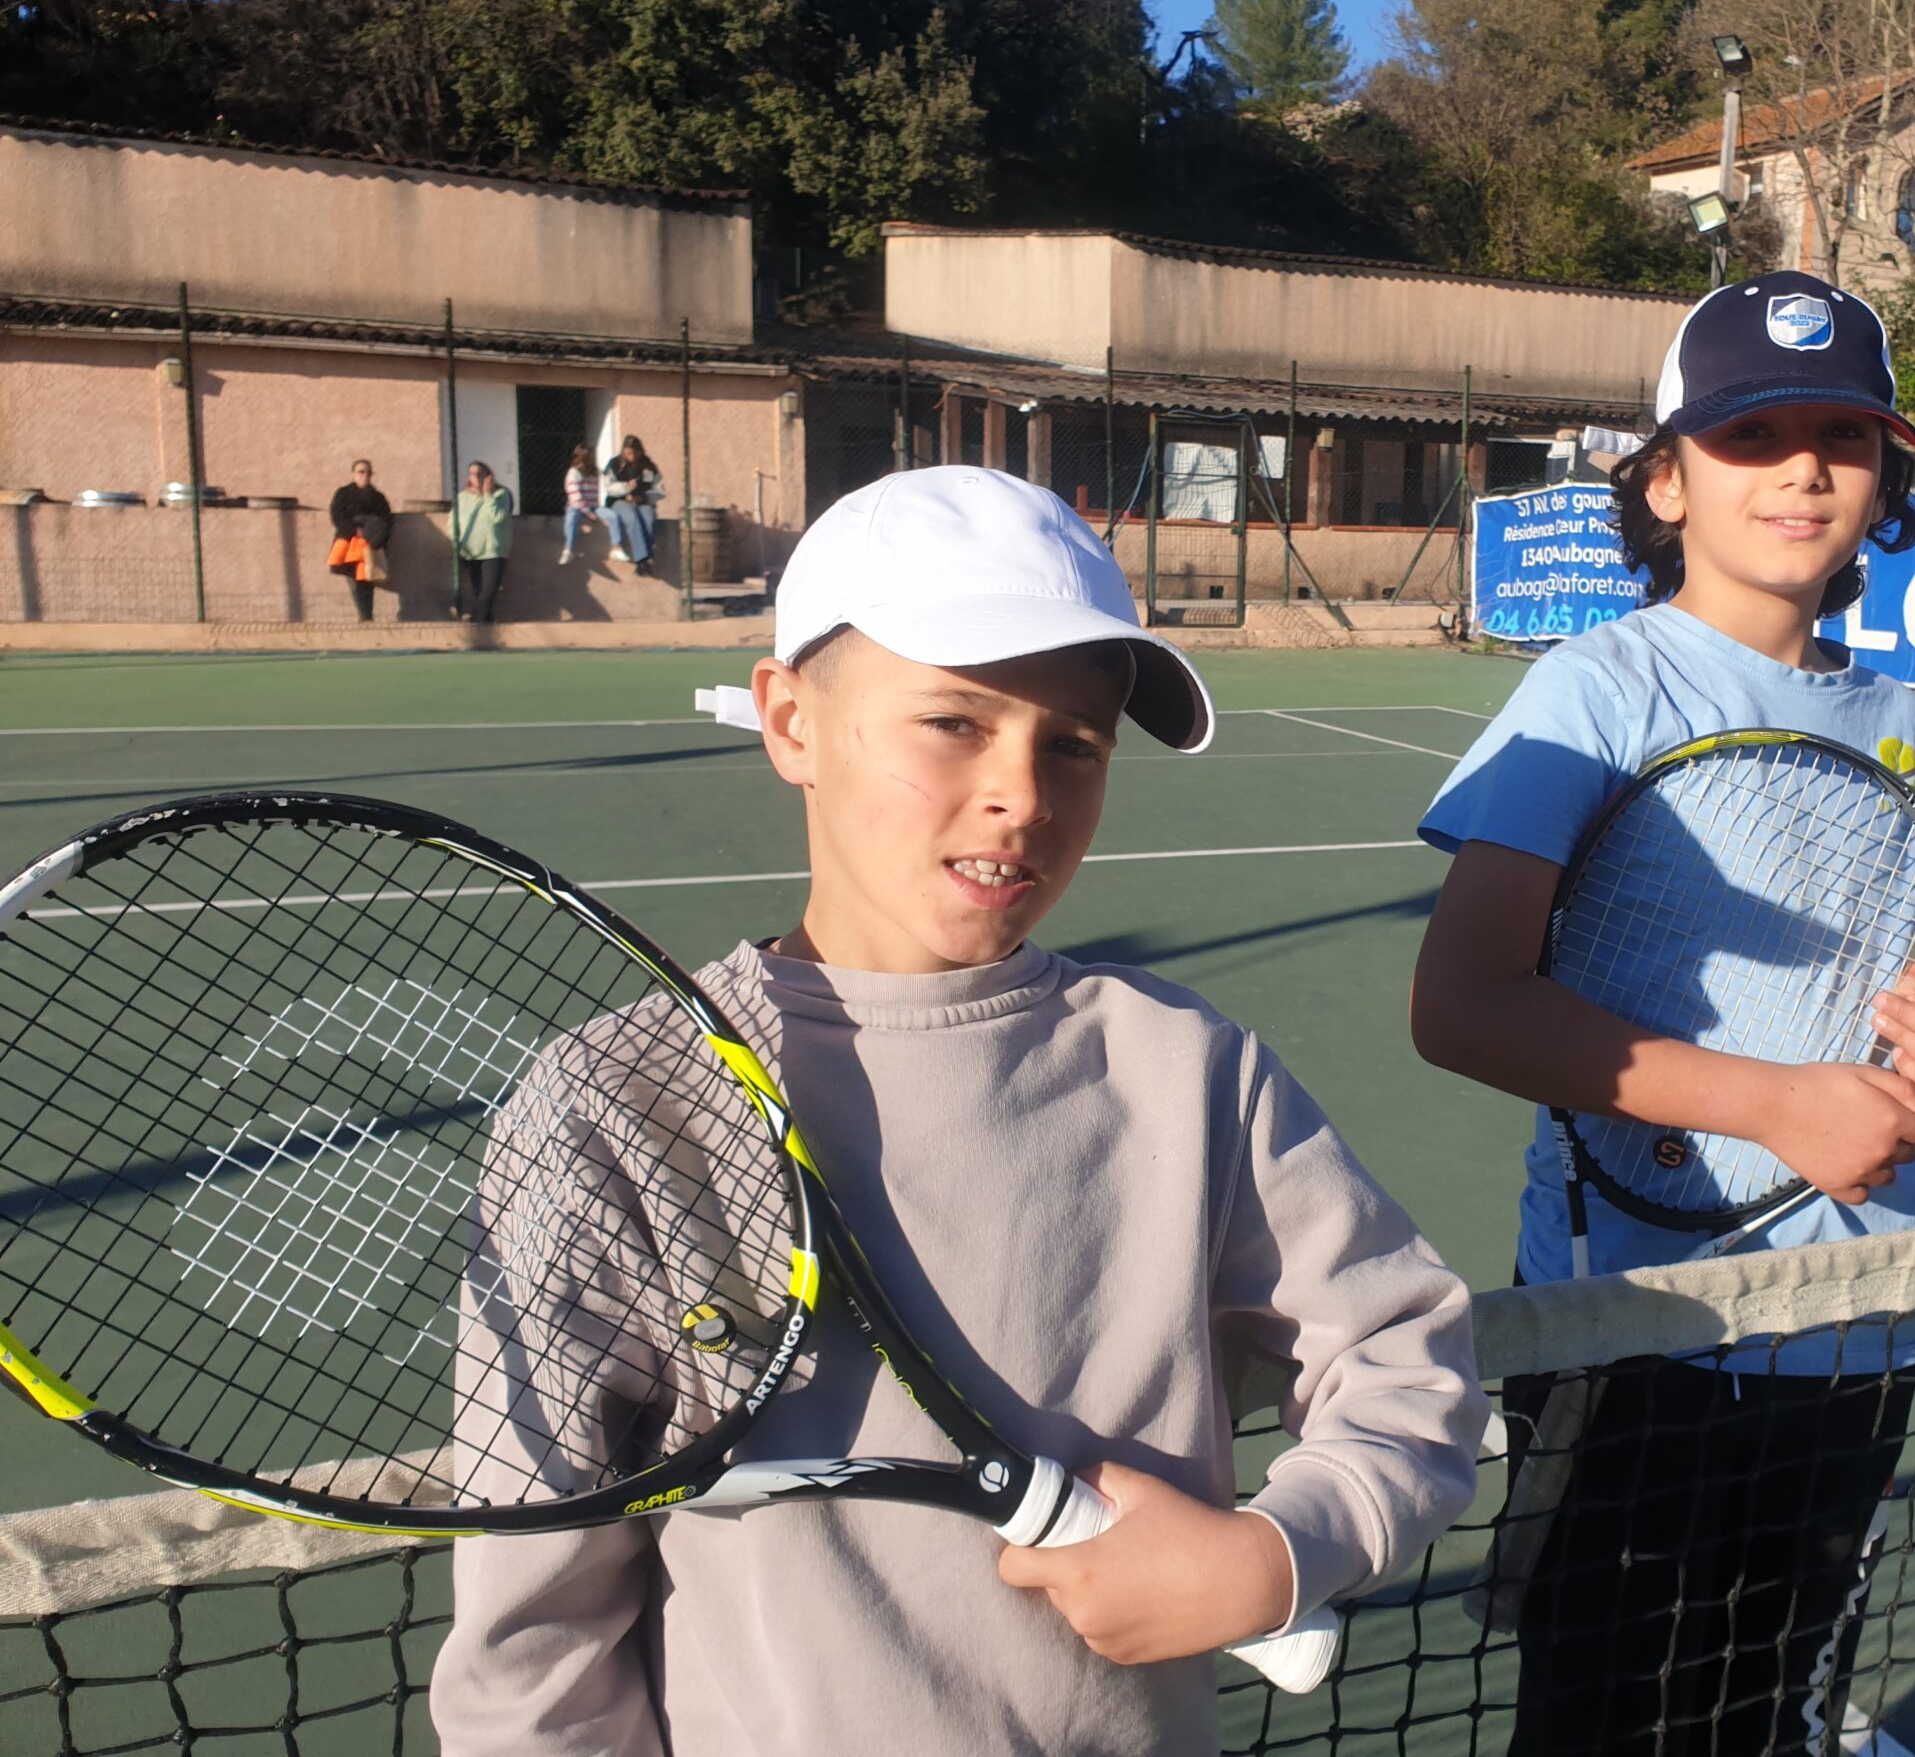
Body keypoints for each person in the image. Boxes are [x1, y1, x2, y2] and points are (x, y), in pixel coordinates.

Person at [431, 465, 1486, 1756]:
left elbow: (1403, 1350)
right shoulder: (614, 1108)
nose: (1022, 795)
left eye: (1075, 743)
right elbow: (531, 1655)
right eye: (953, 722)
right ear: (790, 722)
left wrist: (1277, 1555)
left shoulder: (1187, 1069)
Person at [1407, 273, 1915, 1756]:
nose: (1802, 469)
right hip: (1639, 1335)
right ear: (1665, 481)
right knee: (1604, 1724)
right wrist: (1771, 1102)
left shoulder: (1900, 724)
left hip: (1859, 1324)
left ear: (1885, 479)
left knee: (1763, 1712)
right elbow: (1464, 1005)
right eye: (1750, 437)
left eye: (1841, 438)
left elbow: (1890, 981)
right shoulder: (1590, 692)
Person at [326, 457, 393, 622]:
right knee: (354, 580)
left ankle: (366, 616)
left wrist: (372, 535)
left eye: (368, 472)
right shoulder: (343, 494)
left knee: (366, 579)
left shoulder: (378, 498)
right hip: (348, 543)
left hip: (369, 545)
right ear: (353, 474)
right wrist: (354, 530)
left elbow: (387, 520)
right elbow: (337, 516)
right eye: (361, 472)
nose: (365, 475)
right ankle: (364, 615)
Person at [452, 461, 514, 624]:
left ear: (488, 476)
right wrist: (455, 542)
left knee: (489, 590)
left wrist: (487, 495)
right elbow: (453, 522)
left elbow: (497, 517)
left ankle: (476, 619)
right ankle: (485, 624)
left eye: (479, 474)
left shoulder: (501, 495)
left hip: (492, 551)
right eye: (472, 474)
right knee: (477, 590)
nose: (476, 477)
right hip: (469, 550)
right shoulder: (462, 497)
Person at [602, 433, 662, 574]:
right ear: (624, 451)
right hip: (618, 501)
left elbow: (659, 489)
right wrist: (626, 488)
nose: (632, 457)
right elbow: (608, 487)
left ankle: (647, 558)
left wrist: (643, 497)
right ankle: (641, 559)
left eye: (635, 453)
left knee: (648, 518)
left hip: (642, 501)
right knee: (631, 518)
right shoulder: (615, 464)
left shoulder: (648, 467)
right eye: (628, 453)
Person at [560, 444, 602, 565]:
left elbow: (595, 495)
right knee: (571, 518)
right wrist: (588, 512)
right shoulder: (573, 472)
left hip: (593, 506)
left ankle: (617, 547)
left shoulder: (595, 472)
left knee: (612, 516)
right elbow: (575, 497)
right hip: (577, 507)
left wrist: (595, 510)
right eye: (589, 457)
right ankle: (568, 550)